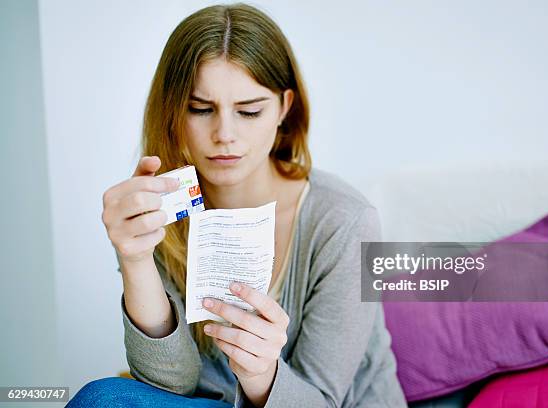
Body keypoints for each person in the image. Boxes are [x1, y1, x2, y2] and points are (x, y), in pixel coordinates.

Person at [68, 3, 407, 407]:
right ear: (173, 112)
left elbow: (322, 402)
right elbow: (171, 386)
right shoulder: (158, 209)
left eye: (249, 111)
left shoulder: (345, 222)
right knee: (104, 398)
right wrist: (135, 259)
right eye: (200, 109)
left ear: (284, 107)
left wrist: (262, 373)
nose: (224, 134)